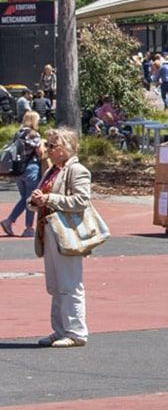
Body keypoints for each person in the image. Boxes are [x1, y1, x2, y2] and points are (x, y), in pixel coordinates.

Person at [29, 127, 90, 347]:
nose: (47, 149)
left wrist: (49, 199)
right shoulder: (52, 170)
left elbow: (81, 201)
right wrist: (35, 200)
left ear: (65, 149)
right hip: (49, 232)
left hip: (67, 233)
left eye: (52, 146)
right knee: (55, 285)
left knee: (70, 283)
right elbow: (40, 197)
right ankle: (60, 329)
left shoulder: (77, 170)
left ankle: (76, 332)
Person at [3, 109, 45, 237]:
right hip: (31, 168)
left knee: (24, 198)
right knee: (30, 199)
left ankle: (10, 220)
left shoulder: (18, 133)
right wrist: (43, 142)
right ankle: (28, 227)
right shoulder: (34, 134)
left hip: (18, 170)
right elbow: (40, 152)